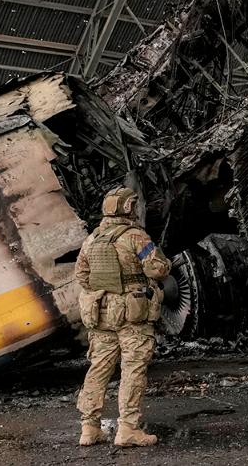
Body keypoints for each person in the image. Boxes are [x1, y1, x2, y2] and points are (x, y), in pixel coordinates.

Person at [75, 188, 171, 447]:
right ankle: (128, 429)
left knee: (98, 368)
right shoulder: (135, 236)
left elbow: (82, 276)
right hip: (132, 314)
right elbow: (157, 268)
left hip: (101, 313)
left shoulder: (92, 238)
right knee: (133, 369)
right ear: (128, 208)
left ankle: (89, 428)